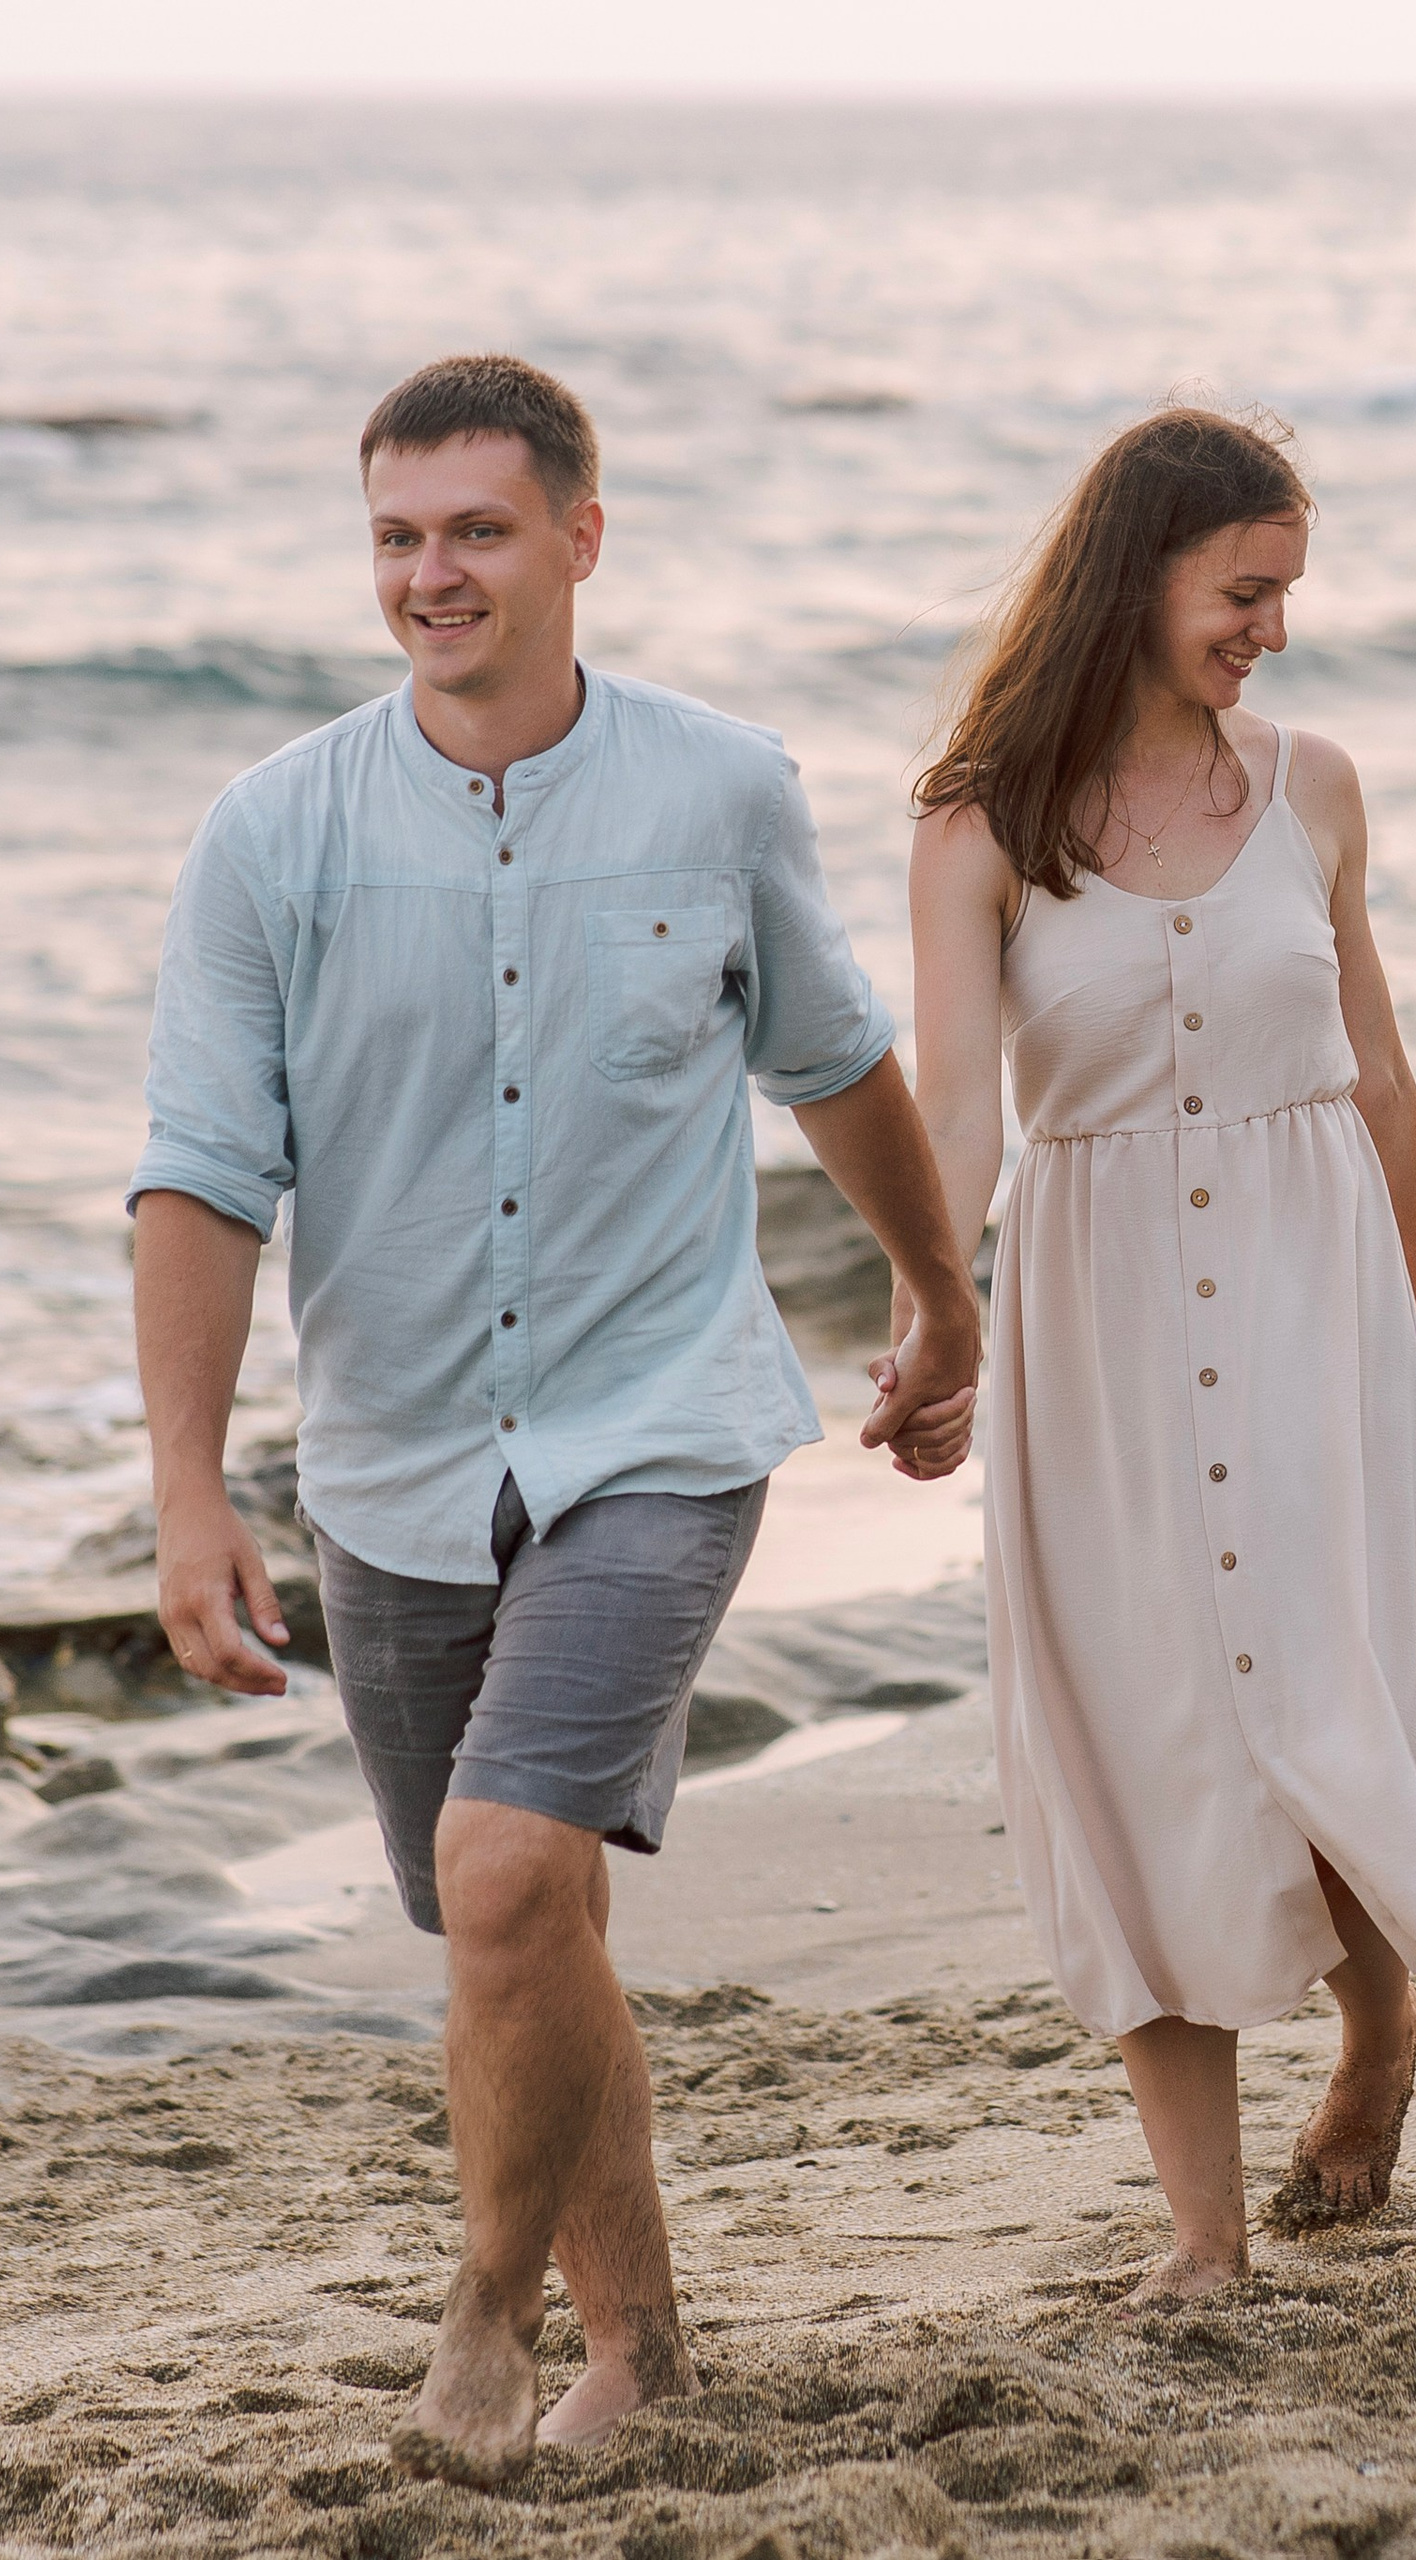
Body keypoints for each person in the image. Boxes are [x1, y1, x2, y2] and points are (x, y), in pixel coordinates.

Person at [130, 354, 980, 2485]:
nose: (433, 575)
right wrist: (182, 1497)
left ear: (580, 539)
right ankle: (645, 2334)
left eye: (477, 530)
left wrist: (943, 1293)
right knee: (517, 1927)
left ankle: (483, 2323)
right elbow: (201, 1177)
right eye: (399, 537)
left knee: (508, 1875)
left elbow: (831, 1059)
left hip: (658, 1422)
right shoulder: (278, 832)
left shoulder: (718, 791)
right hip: (394, 1462)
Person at [899, 405, 1416, 2302]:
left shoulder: (1314, 785)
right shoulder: (978, 821)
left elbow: (1381, 1074)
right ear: (1139, 571)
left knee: (1329, 1712)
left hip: (1318, 1303)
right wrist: (939, 1314)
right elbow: (959, 1114)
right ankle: (1204, 2236)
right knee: (1142, 1743)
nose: (1271, 628)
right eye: (1244, 590)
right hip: (1098, 1337)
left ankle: (1378, 2028)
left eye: (1287, 594)